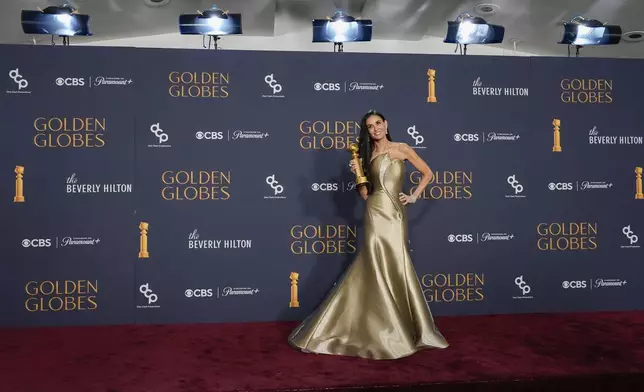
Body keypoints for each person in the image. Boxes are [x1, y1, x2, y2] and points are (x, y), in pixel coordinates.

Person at [288, 110, 448, 360]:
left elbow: (428, 173)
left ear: (386, 124)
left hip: (396, 214)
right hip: (374, 211)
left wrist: (414, 195)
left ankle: (402, 326)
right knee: (373, 259)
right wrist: (358, 174)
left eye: (378, 124)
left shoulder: (402, 148)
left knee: (397, 261)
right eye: (370, 127)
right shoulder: (367, 155)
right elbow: (365, 195)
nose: (375, 129)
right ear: (367, 131)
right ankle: (378, 327)